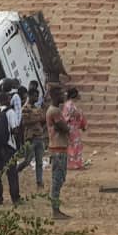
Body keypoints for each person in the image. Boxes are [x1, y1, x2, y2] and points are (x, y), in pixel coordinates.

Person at [0, 91, 22, 206]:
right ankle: (15, 198)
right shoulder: (10, 112)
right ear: (6, 99)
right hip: (8, 147)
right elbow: (15, 129)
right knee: (12, 173)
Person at [43, 87, 72, 219]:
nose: (63, 95)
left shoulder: (54, 110)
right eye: (61, 93)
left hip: (59, 148)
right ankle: (55, 210)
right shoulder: (55, 111)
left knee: (60, 179)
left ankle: (56, 209)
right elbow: (65, 128)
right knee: (57, 180)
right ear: (55, 96)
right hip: (58, 149)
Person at [17, 87, 46, 189]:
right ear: (30, 96)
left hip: (38, 136)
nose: (37, 97)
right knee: (27, 160)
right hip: (30, 137)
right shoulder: (26, 108)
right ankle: (16, 171)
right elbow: (25, 122)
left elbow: (43, 120)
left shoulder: (36, 108)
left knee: (39, 161)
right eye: (35, 95)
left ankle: (39, 182)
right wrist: (37, 119)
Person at [63, 88, 88, 169]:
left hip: (71, 127)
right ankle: (75, 164)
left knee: (72, 146)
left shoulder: (68, 104)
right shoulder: (70, 105)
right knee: (75, 146)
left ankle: (72, 163)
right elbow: (75, 115)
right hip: (72, 128)